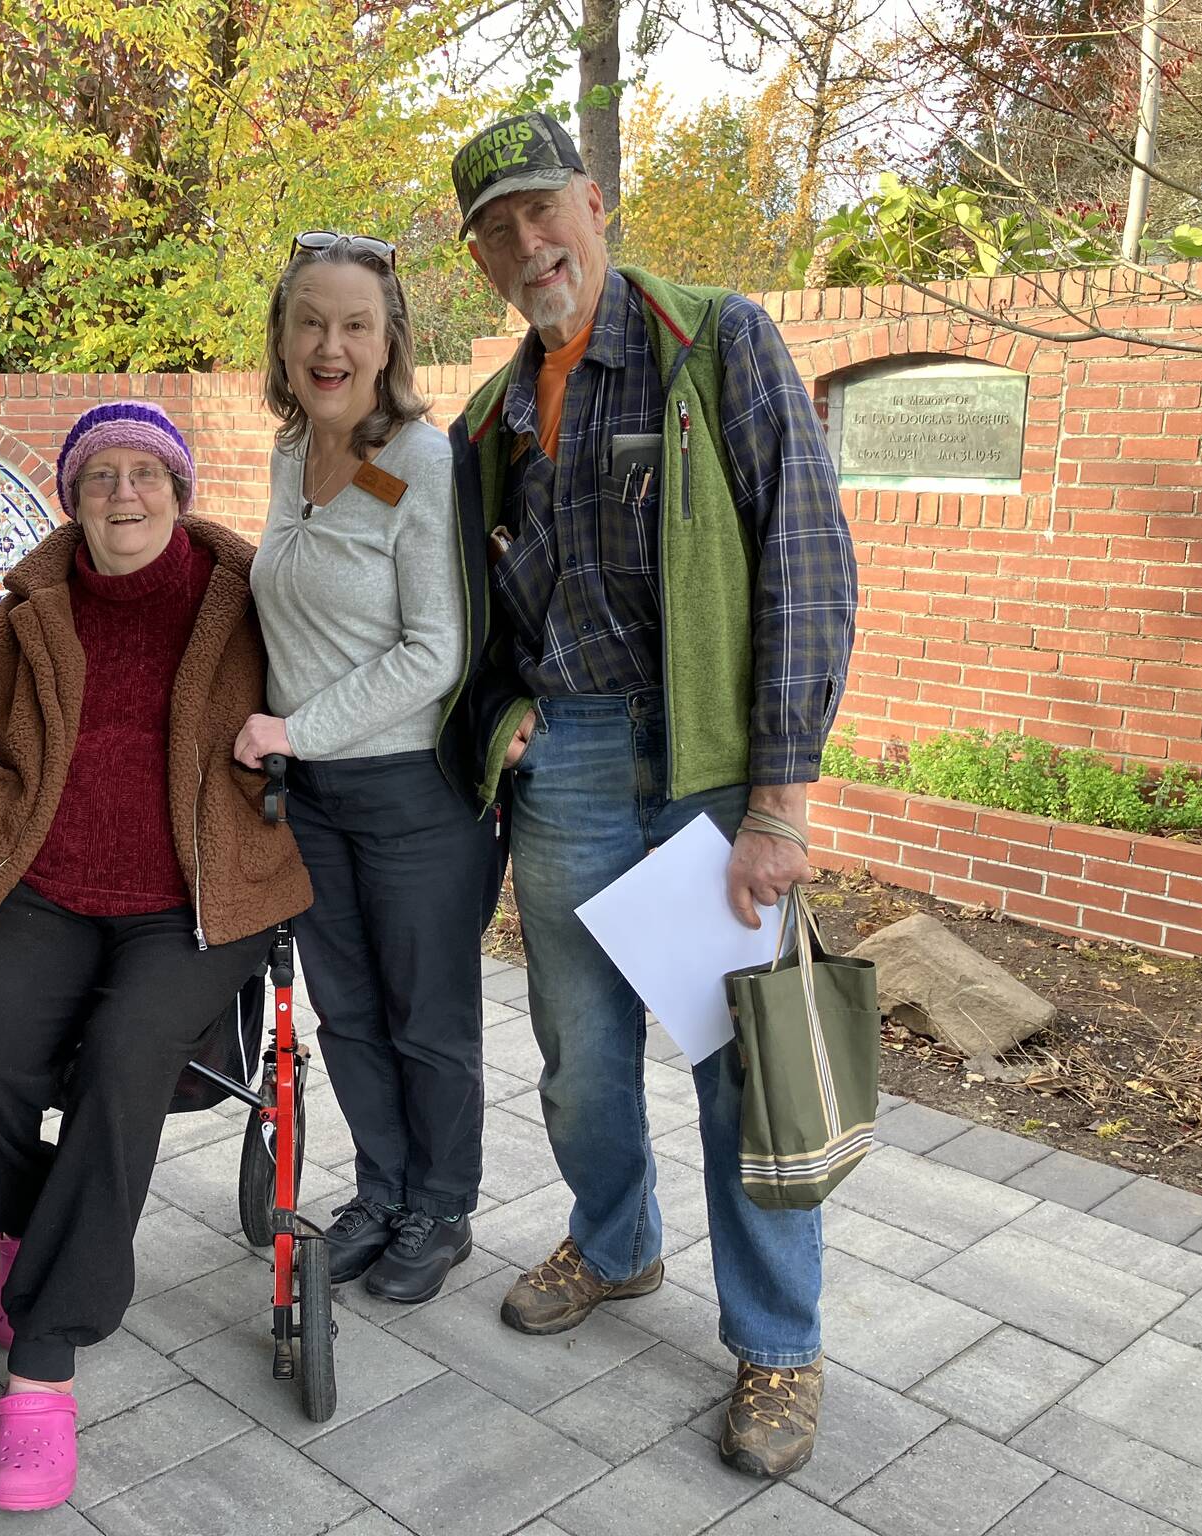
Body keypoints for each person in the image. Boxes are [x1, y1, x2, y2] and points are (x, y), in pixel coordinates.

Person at [441, 112, 859, 1478]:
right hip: (563, 762)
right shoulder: (495, 414)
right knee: (577, 1060)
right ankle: (616, 1246)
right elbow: (476, 622)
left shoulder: (716, 345)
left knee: (743, 1064)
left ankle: (779, 1341)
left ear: (595, 201)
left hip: (699, 768)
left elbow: (805, 559)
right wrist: (501, 723)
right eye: (495, 230)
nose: (524, 245)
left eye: (540, 211)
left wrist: (780, 801)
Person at [0, 400, 312, 1511]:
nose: (121, 495)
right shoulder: (27, 610)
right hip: (44, 885)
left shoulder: (253, 598)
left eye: (144, 475)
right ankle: (32, 1223)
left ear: (178, 492)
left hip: (193, 900)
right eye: (97, 478)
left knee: (127, 1058)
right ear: (72, 498)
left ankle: (42, 1367)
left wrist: (297, 731)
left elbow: (340, 689)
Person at [236, 232, 496, 1304]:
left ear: (389, 341)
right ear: (282, 338)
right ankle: (381, 1192)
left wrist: (296, 730)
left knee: (425, 1018)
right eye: (309, 320)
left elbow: (433, 650)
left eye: (353, 324)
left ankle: (440, 1208)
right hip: (316, 801)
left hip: (406, 794)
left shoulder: (419, 460)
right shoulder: (289, 455)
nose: (328, 343)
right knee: (345, 1013)